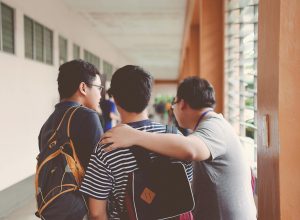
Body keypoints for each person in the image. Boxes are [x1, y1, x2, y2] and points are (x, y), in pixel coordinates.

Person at [100, 76, 257, 220]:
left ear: (182, 103)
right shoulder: (215, 124)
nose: (173, 109)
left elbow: (190, 150)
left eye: (173, 104)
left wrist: (134, 136)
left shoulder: (214, 126)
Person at [79, 65, 193, 219]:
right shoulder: (175, 139)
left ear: (116, 99)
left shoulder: (107, 145)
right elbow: (188, 187)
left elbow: (97, 213)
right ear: (149, 97)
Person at [38, 59, 104, 220]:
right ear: (83, 88)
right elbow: (101, 172)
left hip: (53, 207)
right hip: (80, 210)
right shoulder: (87, 116)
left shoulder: (47, 124)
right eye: (99, 88)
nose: (101, 94)